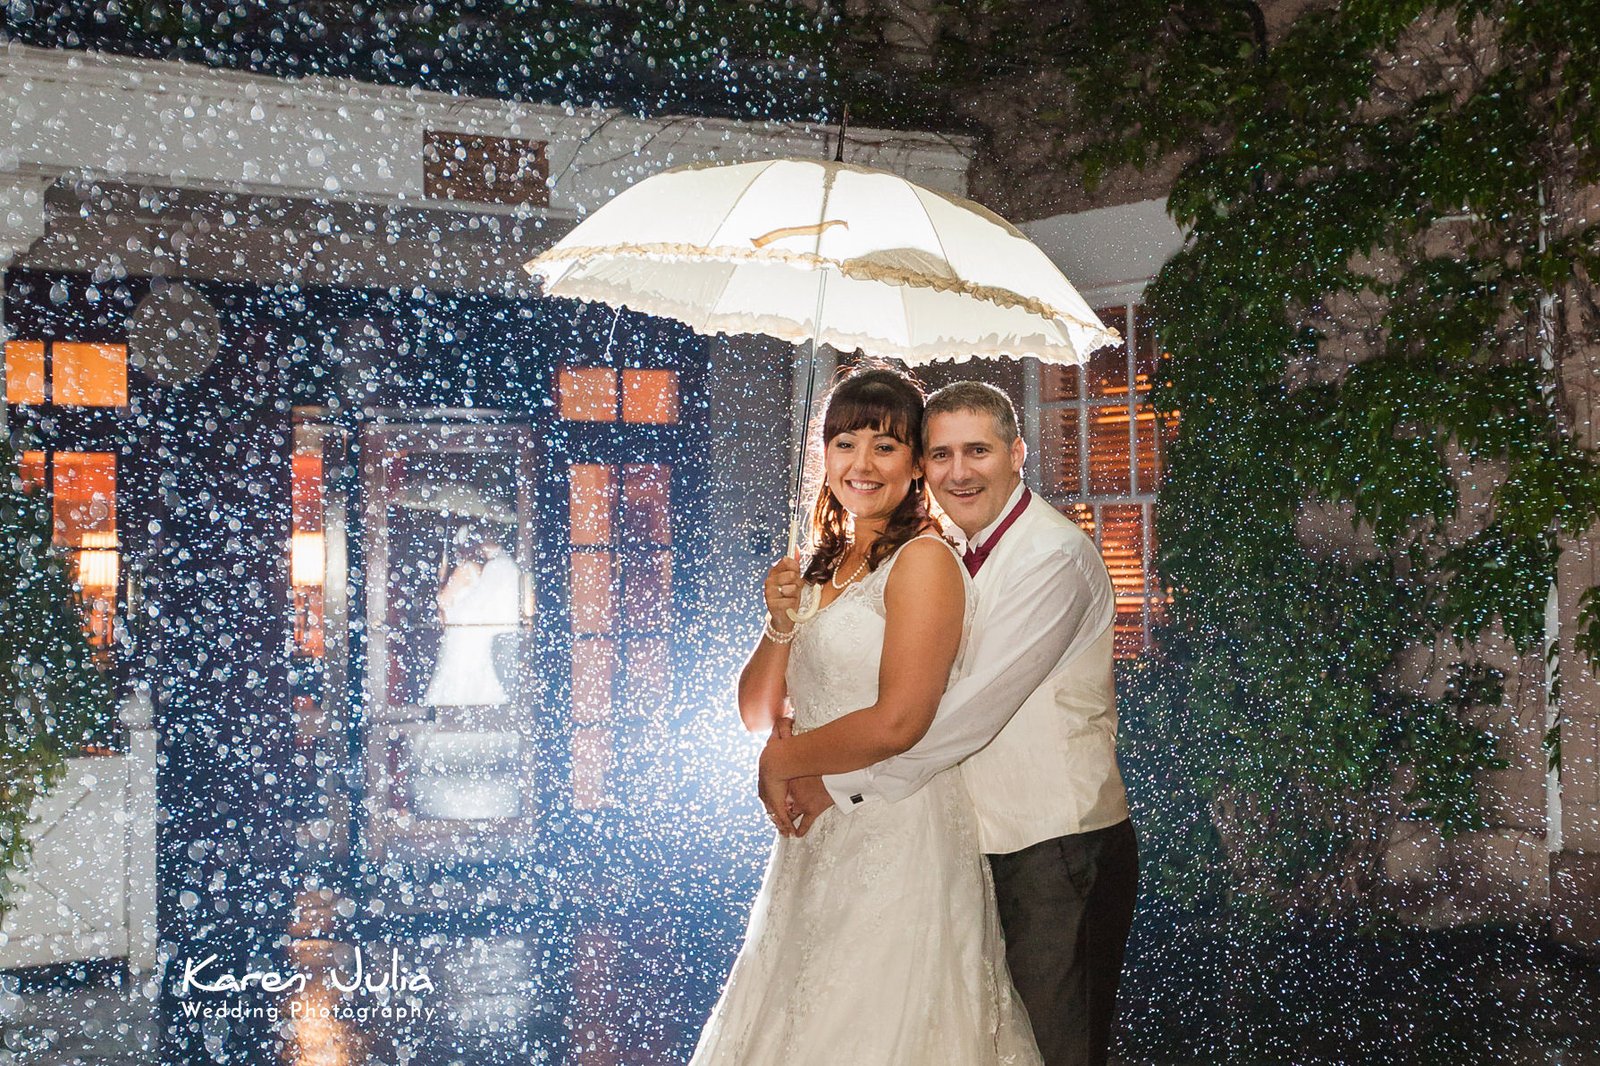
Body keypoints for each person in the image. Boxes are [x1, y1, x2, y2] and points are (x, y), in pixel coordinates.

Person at [780, 381, 1140, 1066]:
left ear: (1018, 453)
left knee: (1053, 1051)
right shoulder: (947, 552)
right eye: (941, 453)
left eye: (977, 450)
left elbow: (966, 716)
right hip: (969, 841)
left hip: (1053, 847)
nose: (958, 471)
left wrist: (840, 785)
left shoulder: (1051, 558)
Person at [689, 366, 1041, 1065]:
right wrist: (780, 623)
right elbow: (759, 712)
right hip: (813, 840)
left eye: (885, 445)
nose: (862, 463)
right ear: (824, 457)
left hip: (896, 825)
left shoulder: (925, 561)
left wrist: (783, 761)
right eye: (845, 442)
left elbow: (899, 721)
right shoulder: (817, 566)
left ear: (916, 465)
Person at [420, 521, 522, 706]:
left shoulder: (464, 568)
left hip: (462, 630)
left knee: (456, 670)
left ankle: (452, 711)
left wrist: (440, 582)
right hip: (477, 632)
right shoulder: (481, 569)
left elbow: (444, 601)